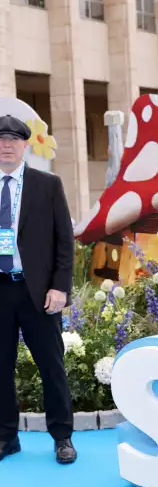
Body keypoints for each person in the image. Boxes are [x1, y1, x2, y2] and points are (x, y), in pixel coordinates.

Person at [0, 115, 76, 465]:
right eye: (1, 139)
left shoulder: (47, 185)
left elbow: (64, 241)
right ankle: (6, 436)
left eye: (13, 140)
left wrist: (60, 287)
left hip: (38, 292)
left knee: (51, 366)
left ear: (25, 145)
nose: (6, 145)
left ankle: (62, 437)